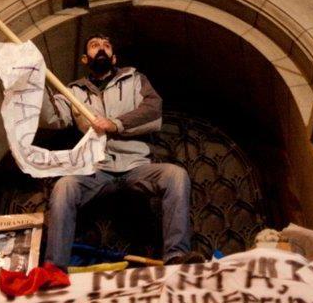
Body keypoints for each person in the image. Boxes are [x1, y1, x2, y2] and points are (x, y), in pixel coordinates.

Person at [40, 34, 204, 268]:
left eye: (106, 46)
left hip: (137, 166)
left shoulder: (134, 79)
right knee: (65, 186)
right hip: (96, 169)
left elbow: (153, 109)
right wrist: (36, 85)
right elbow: (53, 117)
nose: (101, 50)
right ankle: (54, 267)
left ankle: (176, 255)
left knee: (175, 175)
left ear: (114, 57)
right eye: (95, 46)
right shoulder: (73, 91)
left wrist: (115, 123)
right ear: (85, 59)